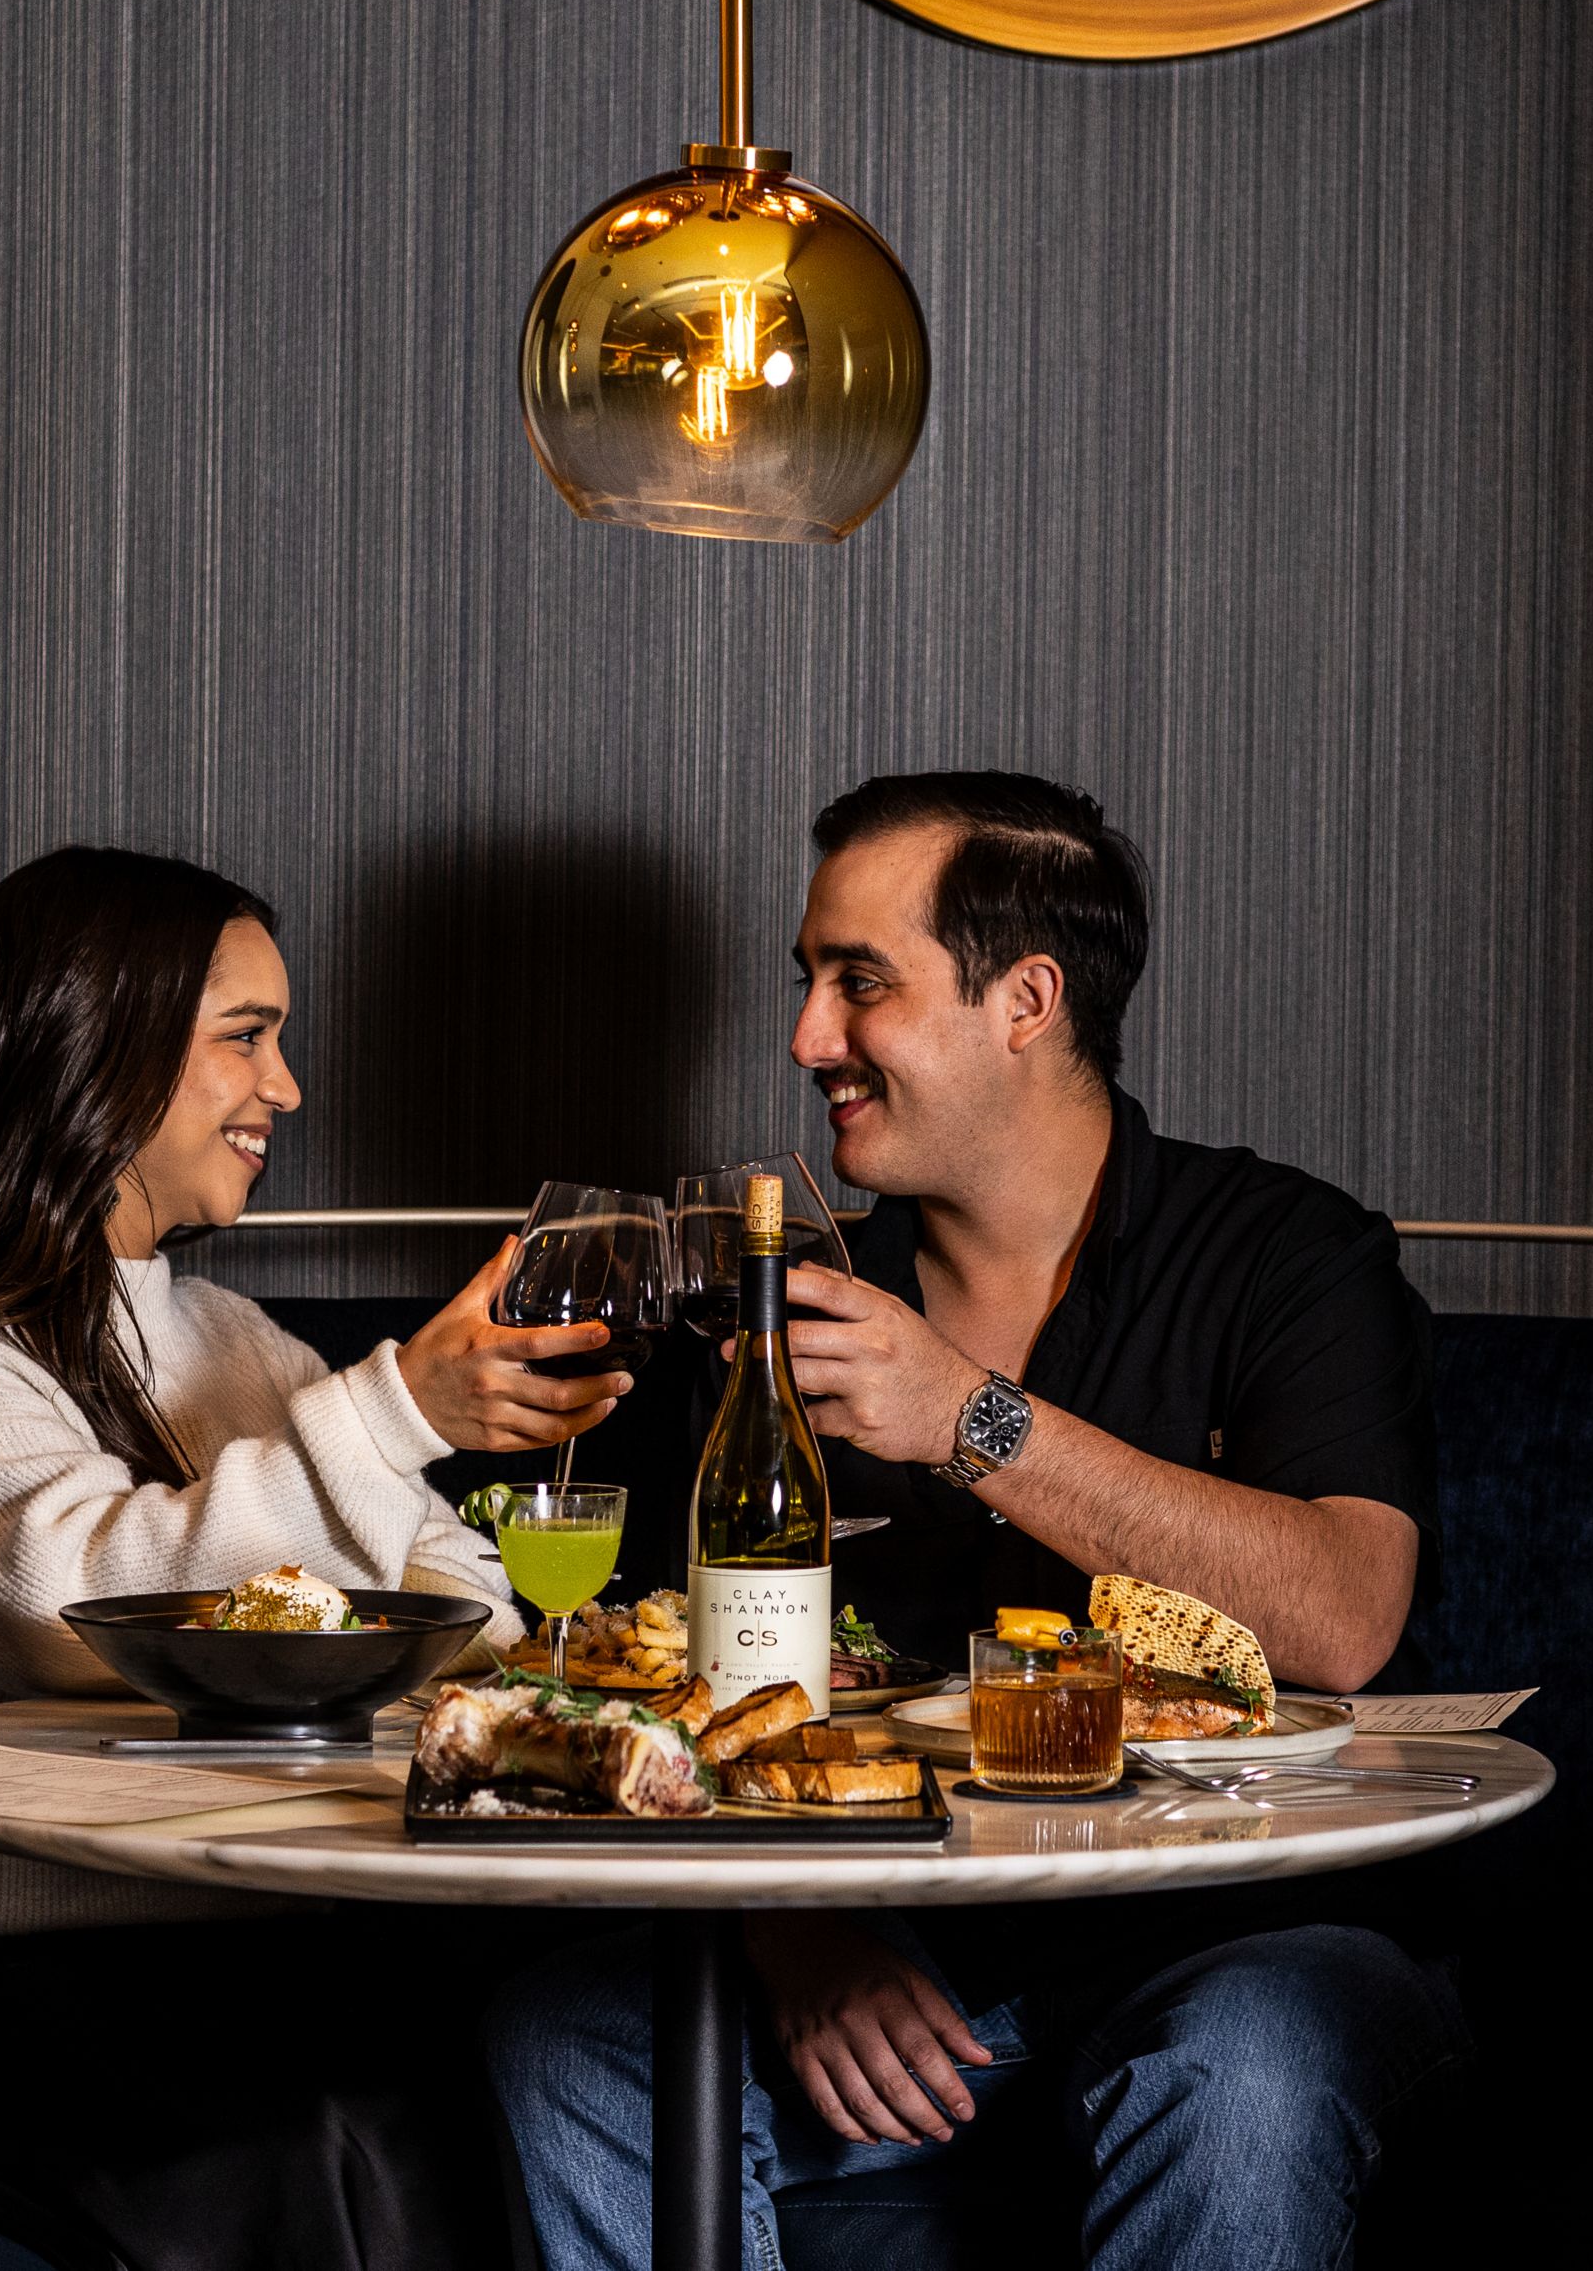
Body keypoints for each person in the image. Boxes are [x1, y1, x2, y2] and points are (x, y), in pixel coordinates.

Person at [492, 774, 1468, 2271]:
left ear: (1026, 1000)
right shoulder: (779, 1306)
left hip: (1248, 1925)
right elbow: (664, 1678)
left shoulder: (1286, 1255)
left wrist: (968, 1418)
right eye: (809, 981)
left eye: (860, 982)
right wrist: (788, 1932)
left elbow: (1344, 1617)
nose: (808, 1038)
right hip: (898, 1934)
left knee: (1247, 2073)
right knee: (568, 2042)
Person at [0, 842, 622, 2271]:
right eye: (246, 1036)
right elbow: (75, 1607)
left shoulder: (229, 1339)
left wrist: (382, 1537)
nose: (287, 1086)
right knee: (343, 2136)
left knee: (573, 2039)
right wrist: (397, 1414)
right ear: (100, 1048)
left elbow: (461, 1592)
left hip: (255, 1930)